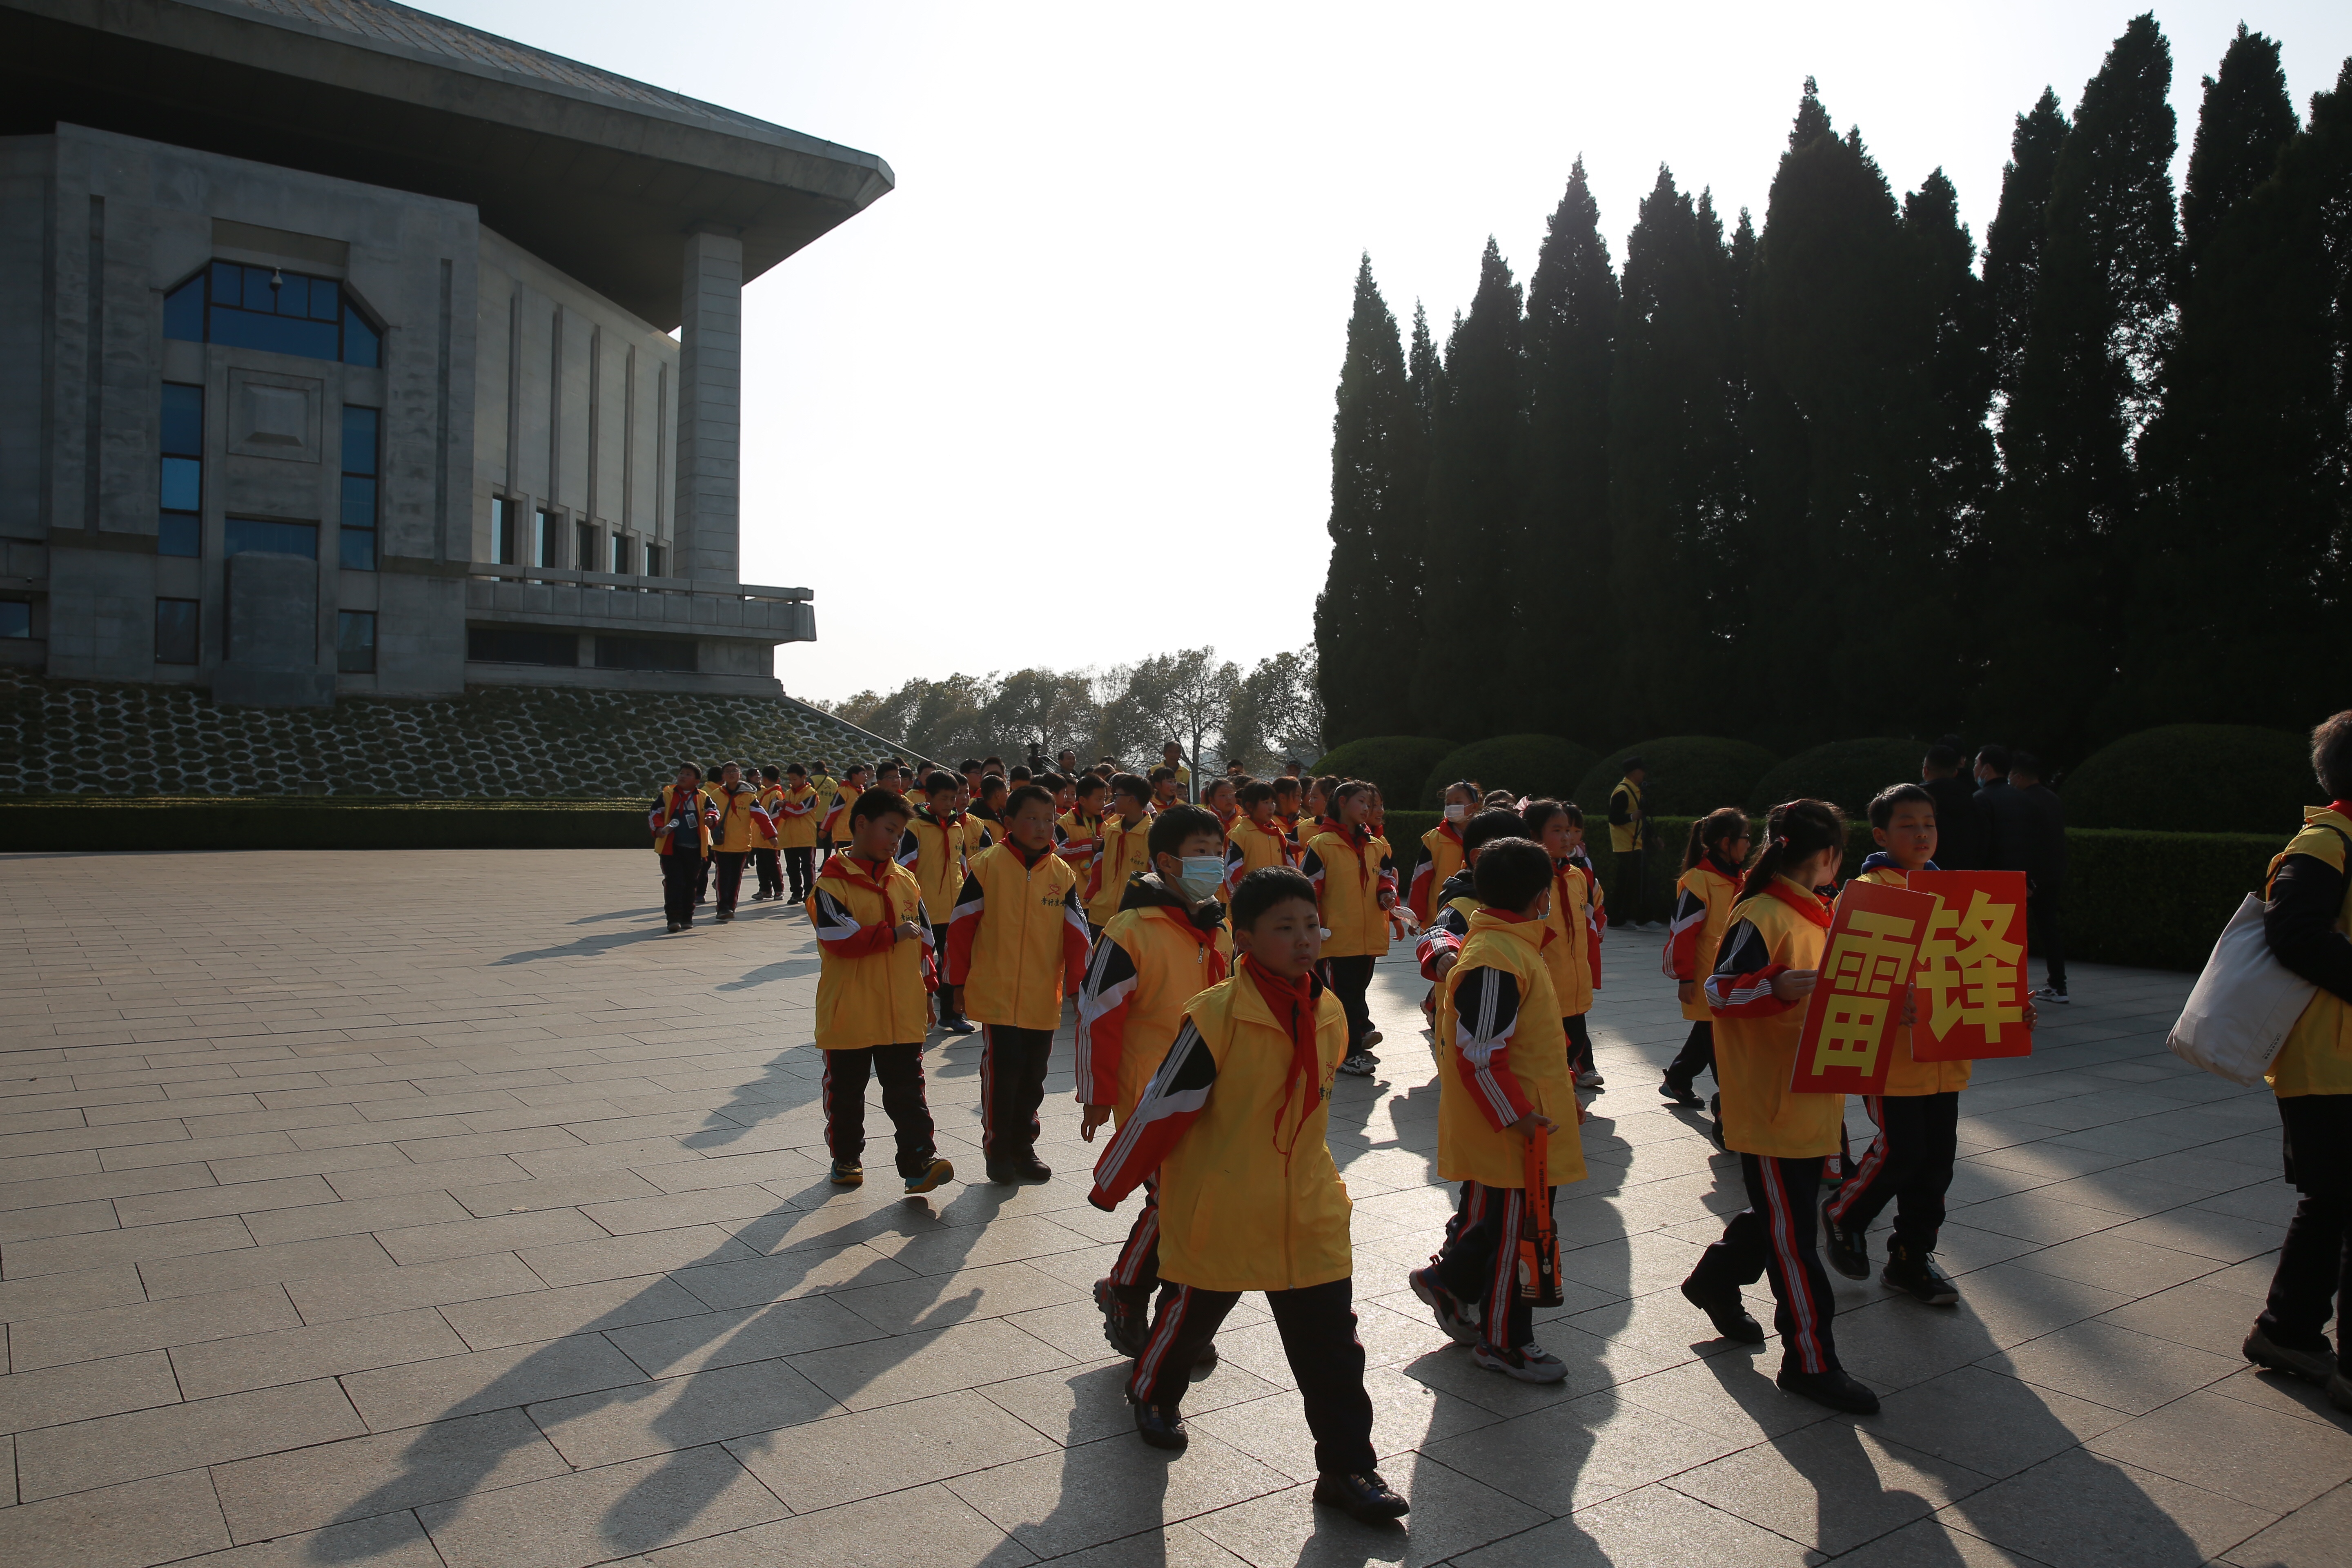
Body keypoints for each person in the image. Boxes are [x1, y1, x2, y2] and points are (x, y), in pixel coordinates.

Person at [1088, 866, 1408, 1524]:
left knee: (1333, 1348)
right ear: (1247, 937)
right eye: (1284, 929)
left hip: (1308, 1205)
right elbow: (1160, 1109)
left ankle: (1349, 1468)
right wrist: (1112, 1182)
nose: (1303, 941)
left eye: (1310, 926)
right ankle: (1152, 1391)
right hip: (1226, 1202)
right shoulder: (1215, 1017)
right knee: (1190, 1321)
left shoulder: (1329, 1010)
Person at [1680, 798, 1880, 1414]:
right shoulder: (1763, 914)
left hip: (1809, 1097)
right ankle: (1810, 1362)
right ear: (1827, 857)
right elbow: (1717, 991)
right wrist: (1773, 986)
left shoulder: (1821, 916)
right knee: (1794, 1237)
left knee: (1782, 1217)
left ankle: (1715, 1278)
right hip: (1768, 1104)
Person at [1821, 783, 2030, 1307]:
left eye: (1929, 824)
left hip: (1947, 1055)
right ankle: (1845, 1213)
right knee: (1902, 1151)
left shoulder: (1958, 892)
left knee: (1938, 1161)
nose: (1921, 833)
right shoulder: (1868, 889)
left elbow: (1982, 965)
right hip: (1890, 1057)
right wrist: (1892, 1002)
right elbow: (1843, 973)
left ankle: (1912, 1257)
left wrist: (2012, 1007)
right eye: (1908, 824)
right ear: (1881, 835)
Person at [1410, 836, 1589, 1383]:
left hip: (1520, 1123)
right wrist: (1519, 1115)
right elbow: (1480, 1054)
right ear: (1541, 897)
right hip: (1512, 1131)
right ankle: (1506, 1342)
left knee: (1497, 1228)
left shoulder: (1509, 946)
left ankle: (1455, 1287)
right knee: (1520, 1236)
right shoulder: (1496, 956)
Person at [1077, 802, 1234, 1356]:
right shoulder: (1131, 929)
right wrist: (1096, 1094)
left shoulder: (1218, 924)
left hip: (1213, 1087)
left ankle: (1165, 1306)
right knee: (1174, 1199)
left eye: (1219, 852)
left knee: (1195, 1201)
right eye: (1201, 854)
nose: (1214, 863)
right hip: (1150, 1090)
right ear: (1167, 862)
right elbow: (1098, 1011)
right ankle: (1135, 1294)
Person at [2244, 710, 2352, 1413]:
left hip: (2341, 1058)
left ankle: (2287, 1331)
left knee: (2334, 1203)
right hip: (2328, 1060)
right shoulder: (2325, 841)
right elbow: (2296, 935)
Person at [808, 788, 956, 1195]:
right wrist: (891, 934)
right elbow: (838, 937)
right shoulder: (832, 883)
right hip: (850, 1010)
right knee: (847, 1093)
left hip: (901, 1009)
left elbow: (925, 943)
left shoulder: (906, 882)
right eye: (889, 830)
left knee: (908, 1091)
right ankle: (847, 1157)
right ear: (860, 825)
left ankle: (919, 1160)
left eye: (900, 833)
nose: (895, 840)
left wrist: (928, 992)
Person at [949, 783, 1091, 1183]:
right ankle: (998, 1148)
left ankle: (1023, 1145)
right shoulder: (987, 866)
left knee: (1033, 1074)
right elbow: (961, 928)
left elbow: (1078, 933)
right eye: (1032, 818)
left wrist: (1084, 988)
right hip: (996, 993)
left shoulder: (1062, 874)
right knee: (1004, 1069)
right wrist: (957, 983)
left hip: (1043, 994)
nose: (1043, 826)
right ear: (1009, 823)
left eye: (1049, 819)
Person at [1301, 780, 1396, 1077]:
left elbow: (1386, 875)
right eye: (1362, 802)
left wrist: (1386, 893)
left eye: (1370, 803)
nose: (1368, 808)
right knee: (1342, 996)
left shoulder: (1376, 844)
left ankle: (1349, 1045)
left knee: (1357, 993)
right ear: (1342, 802)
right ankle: (1348, 1053)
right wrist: (1314, 926)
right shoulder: (1321, 844)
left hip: (1368, 937)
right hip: (1337, 938)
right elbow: (1310, 888)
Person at [1661, 806, 1751, 1108]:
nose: (1749, 845)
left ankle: (1678, 1078)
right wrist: (1685, 977)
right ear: (1726, 842)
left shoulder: (1739, 879)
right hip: (1705, 976)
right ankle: (1731, 1107)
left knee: (1707, 1030)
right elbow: (1681, 933)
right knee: (1718, 1041)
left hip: (1727, 975)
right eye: (1745, 838)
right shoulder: (1699, 880)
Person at [1523, 800, 1603, 1089]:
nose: (1568, 838)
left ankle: (1559, 1087)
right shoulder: (1529, 878)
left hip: (1574, 982)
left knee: (1576, 1042)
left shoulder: (1577, 876)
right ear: (1534, 835)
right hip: (1545, 982)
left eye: (1570, 830)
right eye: (1557, 830)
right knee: (1550, 1046)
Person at [903, 771, 980, 1036]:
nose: (950, 803)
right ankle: (915, 1014)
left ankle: (951, 1014)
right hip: (923, 909)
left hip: (953, 909)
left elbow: (962, 865)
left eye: (954, 797)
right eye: (944, 798)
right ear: (929, 798)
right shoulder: (914, 827)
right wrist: (909, 901)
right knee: (919, 963)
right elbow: (905, 867)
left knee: (953, 962)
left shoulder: (958, 827)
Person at [2010, 752, 2069, 1004]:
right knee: (2049, 930)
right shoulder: (2052, 799)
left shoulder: (2024, 802)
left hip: (2034, 878)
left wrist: (2027, 879)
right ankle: (2058, 985)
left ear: (2019, 776)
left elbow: (2028, 844)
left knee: (2015, 933)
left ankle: (2012, 986)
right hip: (2054, 873)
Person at [648, 764, 717, 933]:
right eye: (681, 773)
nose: (683, 777)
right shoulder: (667, 795)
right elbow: (655, 813)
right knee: (674, 882)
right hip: (671, 848)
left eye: (688, 774)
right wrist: (659, 829)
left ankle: (687, 917)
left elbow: (714, 811)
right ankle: (673, 918)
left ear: (697, 781)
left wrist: (710, 819)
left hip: (695, 848)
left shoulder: (703, 796)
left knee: (691, 884)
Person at [1086, 773, 1156, 929]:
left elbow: (1156, 875)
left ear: (1131, 799)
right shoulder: (1111, 831)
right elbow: (1099, 863)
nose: (1113, 799)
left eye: (1117, 795)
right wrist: (1092, 895)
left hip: (1134, 915)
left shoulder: (1153, 835)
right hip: (1102, 914)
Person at [1408, 782, 1482, 928]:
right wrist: (1416, 915)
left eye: (1458, 802)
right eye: (1448, 803)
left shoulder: (1485, 836)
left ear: (1474, 806)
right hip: (1439, 914)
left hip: (1478, 915)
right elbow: (1421, 879)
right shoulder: (1434, 839)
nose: (1451, 806)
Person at [705, 762, 761, 923]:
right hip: (721, 843)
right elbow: (707, 811)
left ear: (740, 775)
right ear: (723, 776)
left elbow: (761, 815)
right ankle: (723, 907)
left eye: (734, 771)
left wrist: (771, 834)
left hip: (741, 844)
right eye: (727, 772)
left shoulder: (749, 796)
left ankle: (731, 906)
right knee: (723, 876)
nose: (731, 774)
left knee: (736, 877)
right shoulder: (715, 795)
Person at [1920, 743, 1986, 871]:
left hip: (1924, 876)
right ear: (1955, 773)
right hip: (1965, 878)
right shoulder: (1974, 803)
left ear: (1925, 770)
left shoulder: (1915, 802)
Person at [1224, 780, 1296, 893]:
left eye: (1273, 802)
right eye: (1265, 802)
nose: (1271, 807)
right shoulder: (1240, 834)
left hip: (1276, 902)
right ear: (1250, 807)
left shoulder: (1278, 833)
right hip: (1250, 903)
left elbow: (1290, 868)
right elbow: (1232, 872)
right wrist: (1243, 899)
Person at [1606, 756, 1650, 927]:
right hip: (1626, 845)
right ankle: (1627, 917)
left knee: (1628, 882)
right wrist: (1633, 816)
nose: (1644, 774)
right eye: (1642, 770)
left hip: (1633, 843)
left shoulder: (1634, 790)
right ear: (1635, 772)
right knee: (1631, 883)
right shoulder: (1623, 791)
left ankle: (1620, 917)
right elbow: (1614, 818)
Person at [1058, 773, 1108, 922]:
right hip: (1074, 894)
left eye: (1104, 799)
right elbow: (1059, 852)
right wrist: (1089, 845)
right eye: (1098, 799)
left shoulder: (1105, 824)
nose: (1103, 804)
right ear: (1083, 801)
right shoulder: (1064, 823)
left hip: (1098, 896)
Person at [775, 764, 822, 905]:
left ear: (803, 777)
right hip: (789, 837)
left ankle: (809, 892)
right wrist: (784, 807)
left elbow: (800, 811)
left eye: (795, 779)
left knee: (808, 866)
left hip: (805, 836)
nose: (792, 782)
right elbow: (785, 814)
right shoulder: (789, 793)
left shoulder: (811, 794)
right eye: (790, 779)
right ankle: (796, 893)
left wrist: (784, 806)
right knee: (792, 867)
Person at [750, 766, 788, 902]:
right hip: (761, 838)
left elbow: (775, 815)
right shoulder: (767, 793)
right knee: (762, 865)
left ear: (764, 779)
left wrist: (767, 832)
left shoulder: (775, 794)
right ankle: (765, 889)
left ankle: (779, 890)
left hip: (768, 837)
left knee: (773, 864)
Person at [820, 763, 871, 853]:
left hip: (858, 835)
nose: (866, 776)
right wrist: (824, 829)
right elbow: (833, 811)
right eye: (863, 774)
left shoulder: (863, 792)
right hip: (843, 836)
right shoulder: (844, 791)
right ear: (854, 776)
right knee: (843, 862)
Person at [1160, 739, 1193, 803]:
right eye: (1170, 752)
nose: (1173, 755)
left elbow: (1186, 794)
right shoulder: (1154, 770)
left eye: (1176, 752)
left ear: (1180, 755)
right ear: (1165, 753)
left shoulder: (1185, 772)